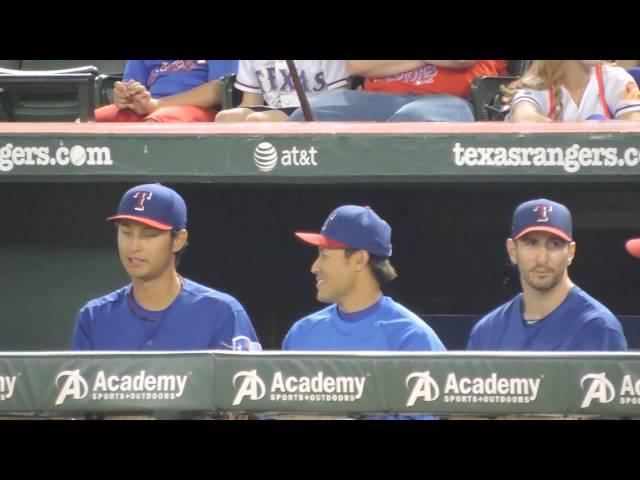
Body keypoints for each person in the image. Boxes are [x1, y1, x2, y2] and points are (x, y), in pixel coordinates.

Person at [282, 205, 444, 420]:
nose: (314, 267)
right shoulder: (302, 333)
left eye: (325, 256)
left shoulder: (411, 337)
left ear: (359, 259)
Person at [71, 183, 260, 351]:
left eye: (149, 235)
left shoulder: (222, 312)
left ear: (178, 240)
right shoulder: (94, 317)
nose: (134, 246)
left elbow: (246, 386)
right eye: (126, 232)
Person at [467, 198, 627, 351]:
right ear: (513, 251)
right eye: (531, 243)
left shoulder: (597, 327)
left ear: (571, 252)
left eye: (554, 244)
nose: (542, 258)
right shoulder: (487, 331)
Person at [287, 60, 507, 122]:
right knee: (306, 117)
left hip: (452, 101)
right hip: (376, 100)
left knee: (412, 120)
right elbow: (358, 65)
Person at [95, 60, 238, 122]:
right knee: (90, 122)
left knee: (155, 125)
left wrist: (157, 105)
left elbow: (220, 89)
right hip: (148, 106)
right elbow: (131, 82)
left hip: (200, 109)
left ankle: (150, 184)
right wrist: (125, 95)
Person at [503, 60, 640, 122]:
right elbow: (523, 118)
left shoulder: (617, 79)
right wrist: (583, 131)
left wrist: (599, 126)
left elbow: (634, 122)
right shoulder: (538, 84)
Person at [214, 60, 348, 122]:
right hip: (275, 108)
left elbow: (338, 99)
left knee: (259, 120)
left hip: (314, 111)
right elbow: (251, 100)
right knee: (226, 117)